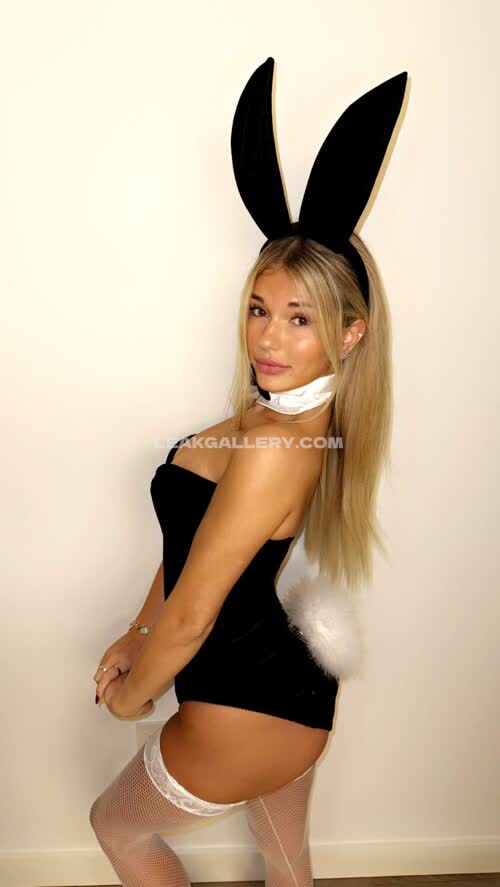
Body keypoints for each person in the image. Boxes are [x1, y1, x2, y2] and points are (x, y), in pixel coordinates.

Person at [89, 58, 408, 886]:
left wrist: (132, 696)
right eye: (260, 309)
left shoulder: (275, 443)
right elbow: (192, 548)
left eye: (300, 318)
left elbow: (195, 614)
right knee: (285, 857)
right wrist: (137, 629)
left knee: (115, 826)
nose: (268, 336)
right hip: (289, 701)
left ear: (349, 334)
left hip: (241, 705)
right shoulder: (277, 419)